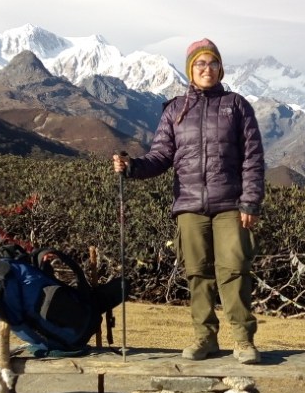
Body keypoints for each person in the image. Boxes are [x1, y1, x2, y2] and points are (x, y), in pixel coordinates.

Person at [113, 38, 265, 364]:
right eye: (200, 64)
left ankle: (243, 341)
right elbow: (161, 156)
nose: (206, 69)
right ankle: (204, 338)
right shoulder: (174, 110)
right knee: (197, 273)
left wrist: (250, 201)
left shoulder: (237, 106)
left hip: (230, 204)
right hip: (189, 205)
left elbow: (253, 158)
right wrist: (133, 167)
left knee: (234, 270)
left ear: (220, 68)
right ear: (190, 71)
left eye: (212, 63)